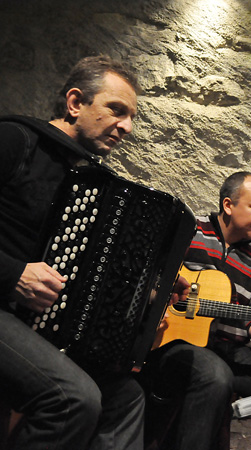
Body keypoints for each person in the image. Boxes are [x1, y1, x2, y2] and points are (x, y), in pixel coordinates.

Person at [0, 55, 149, 449]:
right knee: (72, 397)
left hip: (32, 325)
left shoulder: (90, 179)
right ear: (74, 103)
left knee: (127, 396)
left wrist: (152, 282)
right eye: (116, 110)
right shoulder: (15, 140)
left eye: (131, 116)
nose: (127, 127)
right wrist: (13, 273)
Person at [142, 171, 251, 450]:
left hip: (230, 349)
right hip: (172, 341)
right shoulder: (189, 230)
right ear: (228, 206)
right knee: (216, 375)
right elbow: (151, 274)